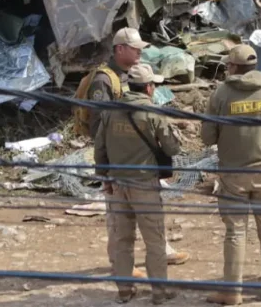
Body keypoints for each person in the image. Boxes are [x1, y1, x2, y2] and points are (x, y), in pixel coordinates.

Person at [76, 28, 190, 278]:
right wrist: (108, 164)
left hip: (138, 159)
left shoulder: (129, 76)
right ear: (119, 49)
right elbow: (99, 127)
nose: (140, 51)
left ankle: (160, 252)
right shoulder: (104, 80)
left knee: (146, 212)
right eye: (135, 48)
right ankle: (121, 265)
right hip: (119, 160)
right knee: (118, 218)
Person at [201, 45, 261, 305]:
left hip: (232, 175)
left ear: (233, 67)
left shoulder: (221, 94)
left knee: (236, 233)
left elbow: (207, 136)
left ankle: (232, 292)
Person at [95, 63, 180, 305]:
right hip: (145, 185)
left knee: (122, 240)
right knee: (154, 240)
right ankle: (159, 292)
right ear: (149, 87)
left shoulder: (110, 111)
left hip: (118, 185)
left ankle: (124, 290)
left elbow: (99, 149)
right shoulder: (153, 112)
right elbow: (172, 147)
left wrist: (105, 178)